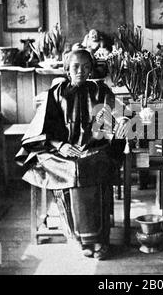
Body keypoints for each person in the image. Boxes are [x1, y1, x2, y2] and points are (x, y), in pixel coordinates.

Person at [16, 48, 130, 260]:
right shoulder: (56, 93)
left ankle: (100, 239)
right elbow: (41, 129)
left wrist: (123, 120)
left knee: (94, 165)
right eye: (76, 67)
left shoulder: (100, 90)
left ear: (91, 70)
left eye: (86, 67)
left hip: (95, 149)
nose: (81, 71)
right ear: (67, 69)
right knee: (70, 168)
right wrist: (60, 146)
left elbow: (119, 113)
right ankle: (79, 238)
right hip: (61, 153)